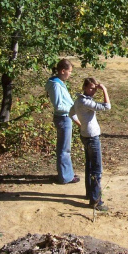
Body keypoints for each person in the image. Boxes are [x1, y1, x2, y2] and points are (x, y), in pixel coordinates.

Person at [69, 78, 111, 211]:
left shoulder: (79, 100)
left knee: (89, 165)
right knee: (97, 169)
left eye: (95, 88)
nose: (93, 91)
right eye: (91, 88)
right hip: (92, 137)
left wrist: (82, 125)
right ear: (85, 87)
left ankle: (90, 194)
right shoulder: (86, 101)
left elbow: (71, 113)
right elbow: (107, 106)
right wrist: (104, 89)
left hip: (85, 135)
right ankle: (96, 201)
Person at [45, 59, 81, 184]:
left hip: (66, 117)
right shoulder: (55, 84)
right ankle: (65, 177)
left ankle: (67, 174)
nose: (70, 74)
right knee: (64, 149)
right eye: (69, 71)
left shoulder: (59, 82)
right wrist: (73, 108)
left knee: (65, 148)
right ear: (62, 71)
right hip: (63, 118)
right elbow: (58, 105)